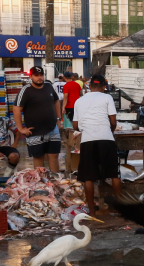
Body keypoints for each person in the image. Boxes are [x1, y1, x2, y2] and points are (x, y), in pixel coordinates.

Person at [72, 74, 121, 217]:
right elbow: (113, 121)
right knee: (114, 174)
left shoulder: (79, 101)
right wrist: (109, 132)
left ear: (89, 86)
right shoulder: (107, 97)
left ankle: (92, 212)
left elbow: (75, 125)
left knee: (89, 177)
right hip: (106, 139)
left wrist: (86, 127)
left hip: (88, 141)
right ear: (104, 87)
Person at [13, 66, 63, 171]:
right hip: (34, 131)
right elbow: (16, 109)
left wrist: (59, 118)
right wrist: (21, 128)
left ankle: (55, 182)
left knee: (54, 156)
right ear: (30, 76)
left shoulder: (49, 86)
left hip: (52, 128)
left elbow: (56, 101)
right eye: (36, 75)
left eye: (41, 75)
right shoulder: (26, 90)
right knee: (38, 157)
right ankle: (41, 183)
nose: (39, 78)